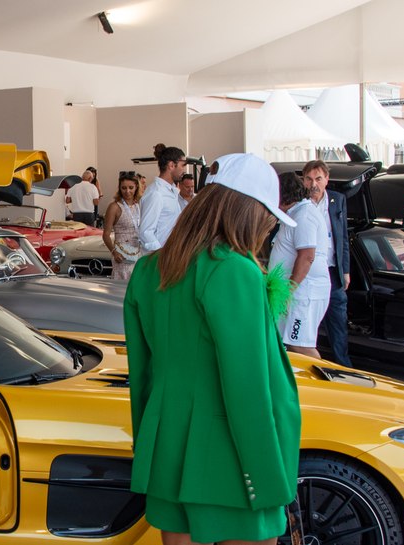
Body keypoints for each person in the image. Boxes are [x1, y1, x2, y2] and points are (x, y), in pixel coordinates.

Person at [124, 152, 300, 545]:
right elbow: (249, 387)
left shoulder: (149, 269)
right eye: (268, 216)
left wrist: (148, 445)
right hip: (232, 457)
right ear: (248, 211)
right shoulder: (233, 270)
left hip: (169, 447)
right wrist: (268, 475)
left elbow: (143, 375)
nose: (270, 227)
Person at [269, 171, 331, 359]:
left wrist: (290, 289)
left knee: (300, 346)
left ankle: (321, 385)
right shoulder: (295, 213)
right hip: (295, 293)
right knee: (288, 343)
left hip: (304, 293)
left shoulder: (304, 215)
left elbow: (307, 256)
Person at [305, 160, 353, 367]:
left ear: (327, 180)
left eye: (318, 179)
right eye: (308, 179)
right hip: (307, 271)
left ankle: (343, 367)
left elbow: (342, 237)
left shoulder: (337, 200)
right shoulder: (299, 203)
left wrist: (346, 270)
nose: (313, 184)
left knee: (338, 323)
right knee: (308, 323)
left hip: (332, 271)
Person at [138, 143, 186, 253]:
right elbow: (146, 232)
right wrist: (161, 256)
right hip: (160, 261)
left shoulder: (171, 191)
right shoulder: (156, 193)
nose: (184, 170)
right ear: (171, 165)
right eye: (183, 165)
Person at [102, 171, 143, 280]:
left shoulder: (138, 205)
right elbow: (106, 234)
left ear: (136, 187)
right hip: (122, 255)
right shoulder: (114, 207)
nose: (127, 191)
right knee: (122, 287)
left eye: (131, 187)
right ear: (119, 188)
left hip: (138, 253)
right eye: (124, 188)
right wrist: (114, 252)